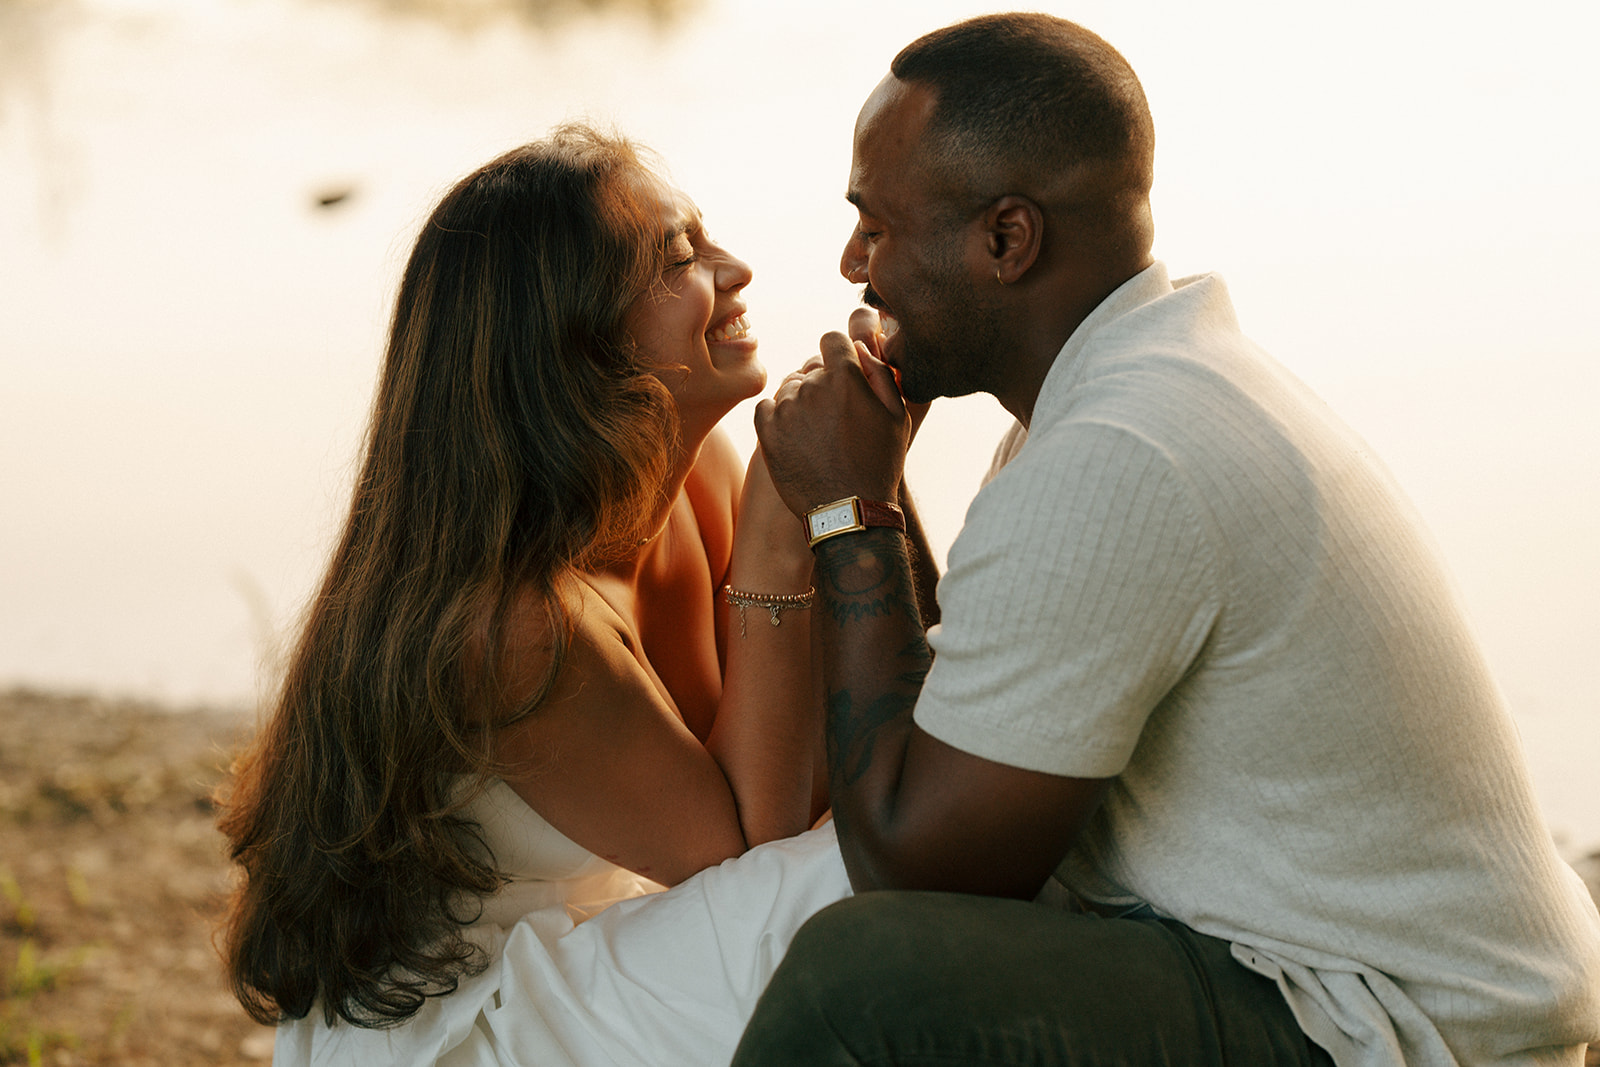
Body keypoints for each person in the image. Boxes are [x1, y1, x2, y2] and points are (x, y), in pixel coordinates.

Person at [740, 12, 1600, 1066]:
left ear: (1006, 239)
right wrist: (877, 483)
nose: (850, 261)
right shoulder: (1130, 386)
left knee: (856, 983)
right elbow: (963, 729)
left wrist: (847, 513)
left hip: (1401, 1020)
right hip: (1360, 971)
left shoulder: (1118, 453)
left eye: (875, 223)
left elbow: (919, 865)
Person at [216, 125, 854, 1066]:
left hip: (593, 942)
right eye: (680, 257)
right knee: (853, 877)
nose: (737, 269)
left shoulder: (697, 471)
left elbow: (782, 785)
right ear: (572, 336)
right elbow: (746, 863)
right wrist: (782, 533)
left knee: (897, 825)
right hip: (463, 1024)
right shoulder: (510, 623)